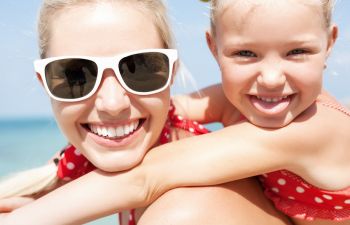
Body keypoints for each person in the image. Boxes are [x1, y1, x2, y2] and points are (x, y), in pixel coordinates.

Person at [0, 0, 293, 225]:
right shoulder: (74, 173)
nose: (112, 103)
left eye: (138, 69)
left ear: (171, 72)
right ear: (46, 83)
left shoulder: (185, 211)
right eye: (77, 75)